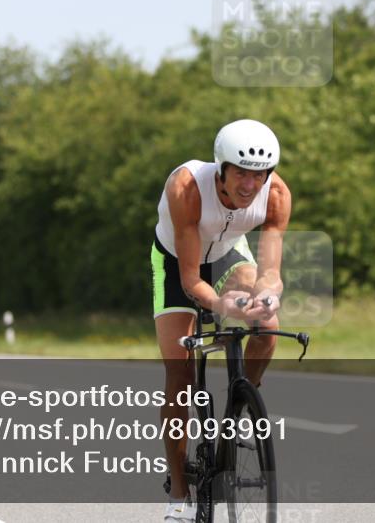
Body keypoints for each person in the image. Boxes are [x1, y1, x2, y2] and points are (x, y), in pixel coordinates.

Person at [151, 119, 290, 522]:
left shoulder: (277, 194)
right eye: (242, 174)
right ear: (222, 168)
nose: (251, 185)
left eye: (259, 175)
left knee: (266, 324)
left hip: (230, 254)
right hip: (177, 262)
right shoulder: (187, 188)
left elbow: (271, 272)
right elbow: (192, 280)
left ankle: (243, 402)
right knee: (180, 375)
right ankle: (178, 492)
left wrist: (266, 295)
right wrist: (227, 307)